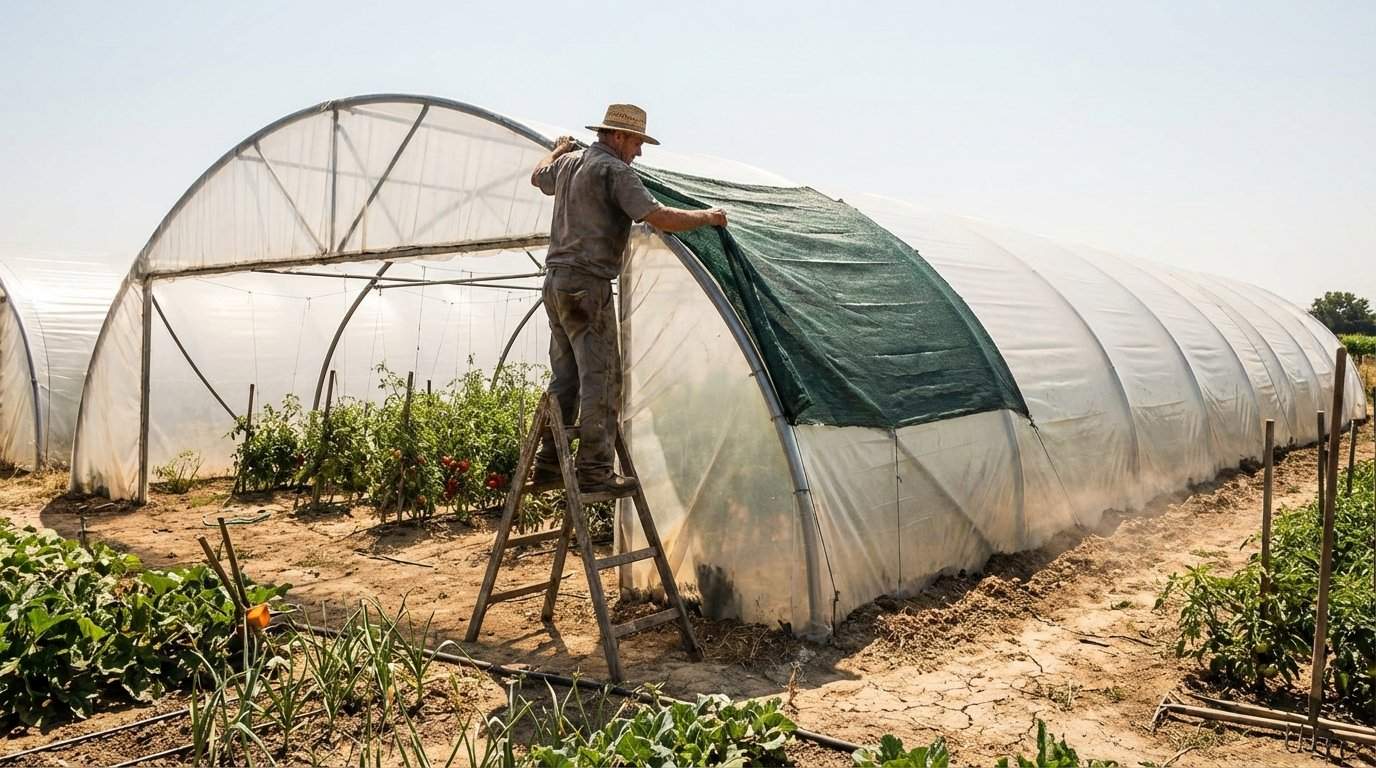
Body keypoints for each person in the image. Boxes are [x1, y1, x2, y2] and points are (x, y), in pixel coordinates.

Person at [529, 103, 727, 493]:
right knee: (601, 379)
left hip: (556, 284)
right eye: (637, 142)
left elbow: (538, 177)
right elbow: (659, 217)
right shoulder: (613, 172)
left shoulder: (569, 163)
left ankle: (549, 465)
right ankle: (595, 470)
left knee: (565, 378)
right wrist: (708, 216)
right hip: (588, 286)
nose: (639, 152)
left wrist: (556, 149)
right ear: (617, 136)